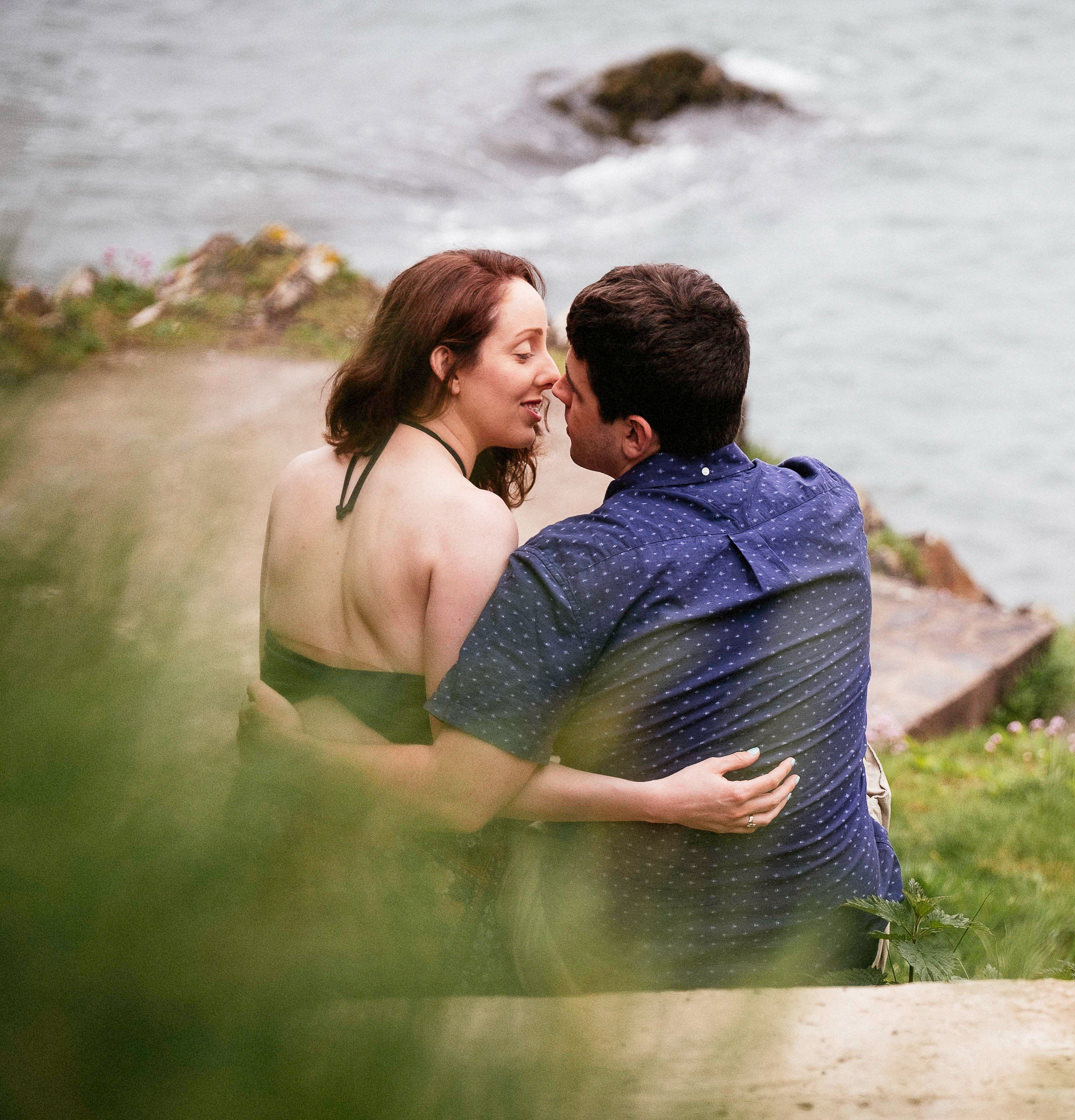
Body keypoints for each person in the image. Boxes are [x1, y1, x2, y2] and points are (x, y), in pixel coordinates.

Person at [244, 261, 901, 992]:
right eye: (527, 352)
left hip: (609, 950)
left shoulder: (563, 566)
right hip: (846, 923)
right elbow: (468, 788)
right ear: (447, 367)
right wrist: (659, 795)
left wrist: (298, 754)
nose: (553, 383)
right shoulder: (830, 503)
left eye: (571, 381)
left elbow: (463, 784)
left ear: (636, 435)